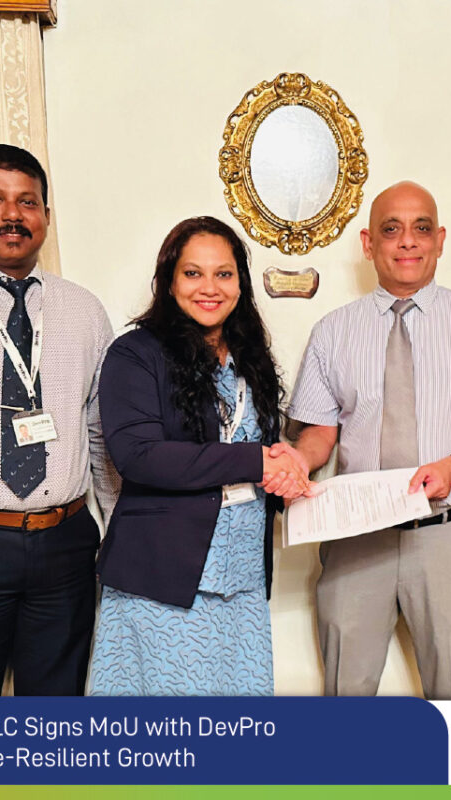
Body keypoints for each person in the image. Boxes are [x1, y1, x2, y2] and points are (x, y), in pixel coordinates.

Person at [272, 181, 451, 698]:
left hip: (448, 534)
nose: (408, 241)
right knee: (345, 698)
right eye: (391, 229)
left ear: (440, 240)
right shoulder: (333, 331)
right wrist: (297, 462)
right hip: (356, 538)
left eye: (421, 228)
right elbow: (319, 433)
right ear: (368, 243)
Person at [89, 216, 310, 696]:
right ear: (169, 282)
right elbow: (139, 456)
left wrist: (285, 469)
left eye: (223, 274)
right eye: (193, 273)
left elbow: (257, 448)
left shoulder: (251, 358)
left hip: (243, 582)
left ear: (240, 283)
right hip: (163, 584)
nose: (209, 287)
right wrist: (256, 461)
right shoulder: (135, 354)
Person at [0, 144, 119, 695]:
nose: (13, 215)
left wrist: (118, 537)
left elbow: (101, 439)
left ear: (46, 216)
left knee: (56, 719)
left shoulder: (85, 311)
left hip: (68, 547)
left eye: (27, 202)